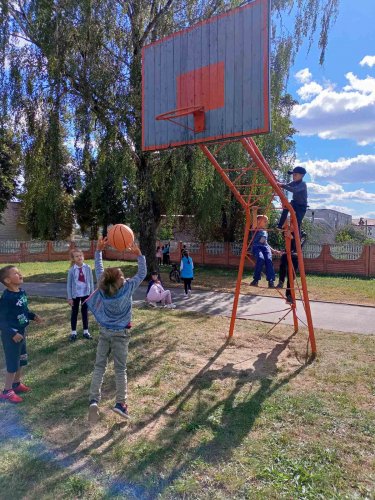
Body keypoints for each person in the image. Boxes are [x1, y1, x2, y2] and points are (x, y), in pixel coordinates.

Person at [86, 237, 146, 422]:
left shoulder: (102, 288)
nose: (124, 276)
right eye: (121, 275)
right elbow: (142, 273)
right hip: (121, 334)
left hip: (105, 331)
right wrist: (139, 255)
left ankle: (94, 401)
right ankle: (120, 404)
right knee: (120, 369)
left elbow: (100, 270)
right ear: (120, 281)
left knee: (99, 366)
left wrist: (98, 250)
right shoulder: (128, 288)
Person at [0, 265, 43, 403]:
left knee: (21, 359)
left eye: (19, 272)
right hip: (11, 336)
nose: (20, 274)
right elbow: (2, 320)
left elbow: (23, 310)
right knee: (13, 363)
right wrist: (13, 333)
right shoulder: (7, 298)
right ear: (7, 280)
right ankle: (7, 391)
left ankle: (16, 384)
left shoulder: (21, 292)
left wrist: (32, 316)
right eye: (16, 273)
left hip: (22, 332)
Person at [67, 248, 95, 342]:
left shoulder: (87, 268)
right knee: (74, 312)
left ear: (83, 257)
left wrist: (92, 294)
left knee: (84, 312)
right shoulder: (71, 270)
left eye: (80, 256)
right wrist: (70, 297)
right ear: (73, 259)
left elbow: (91, 282)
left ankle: (86, 331)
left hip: (85, 294)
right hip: (75, 295)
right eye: (76, 256)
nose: (79, 257)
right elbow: (69, 285)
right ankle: (73, 332)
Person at [249, 215, 280, 288]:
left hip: (265, 248)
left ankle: (271, 281)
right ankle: (255, 280)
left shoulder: (265, 231)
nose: (266, 223)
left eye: (267, 221)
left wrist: (273, 250)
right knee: (260, 259)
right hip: (257, 247)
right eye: (265, 221)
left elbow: (265, 242)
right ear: (258, 221)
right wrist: (254, 211)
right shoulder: (255, 229)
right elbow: (254, 222)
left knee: (269, 260)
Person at [276, 232, 307, 303]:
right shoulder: (287, 230)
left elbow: (299, 246)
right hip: (286, 254)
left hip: (295, 256)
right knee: (282, 265)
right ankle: (281, 282)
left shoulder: (303, 234)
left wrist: (292, 238)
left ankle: (289, 296)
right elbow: (285, 241)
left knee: (291, 277)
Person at [277, 166, 308, 231]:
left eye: (295, 175)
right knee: (286, 208)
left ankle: (297, 238)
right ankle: (280, 225)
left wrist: (282, 185)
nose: (293, 176)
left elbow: (294, 190)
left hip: (301, 206)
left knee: (297, 223)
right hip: (294, 202)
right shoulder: (294, 183)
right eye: (293, 175)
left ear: (302, 175)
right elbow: (287, 185)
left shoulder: (303, 184)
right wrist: (279, 183)